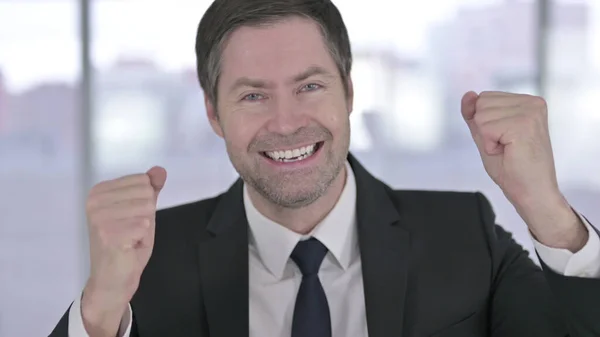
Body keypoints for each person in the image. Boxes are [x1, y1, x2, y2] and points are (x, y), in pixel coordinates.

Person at [50, 0, 600, 336]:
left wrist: (548, 211)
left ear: (350, 92)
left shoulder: (464, 234)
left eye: (309, 86)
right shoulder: (150, 261)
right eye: (252, 96)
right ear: (214, 114)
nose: (286, 122)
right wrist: (100, 308)